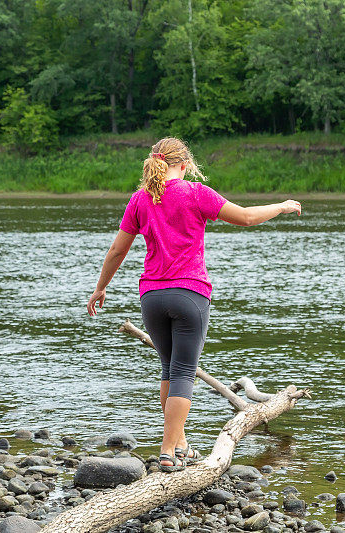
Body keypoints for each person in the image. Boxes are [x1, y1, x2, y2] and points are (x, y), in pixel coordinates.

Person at [86, 137, 301, 471]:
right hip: (189, 295)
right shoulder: (196, 193)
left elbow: (117, 250)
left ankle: (180, 442)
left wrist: (101, 288)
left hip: (152, 298)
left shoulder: (141, 198)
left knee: (169, 369)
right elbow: (244, 217)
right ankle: (168, 450)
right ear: (184, 164)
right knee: (183, 371)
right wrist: (282, 206)